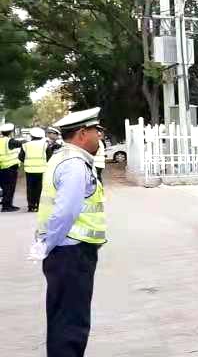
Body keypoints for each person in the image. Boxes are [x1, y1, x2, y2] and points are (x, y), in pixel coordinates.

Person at [27, 107, 107, 357]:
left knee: (62, 317)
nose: (99, 136)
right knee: (71, 323)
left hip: (65, 252)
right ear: (82, 133)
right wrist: (47, 244)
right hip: (72, 252)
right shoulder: (74, 164)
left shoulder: (63, 157)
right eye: (96, 131)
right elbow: (65, 212)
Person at [19, 127, 48, 212]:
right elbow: (49, 156)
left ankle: (31, 206)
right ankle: (39, 205)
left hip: (29, 170)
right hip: (42, 170)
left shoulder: (25, 145)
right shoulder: (45, 145)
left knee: (30, 188)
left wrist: (27, 162)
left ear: (31, 136)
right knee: (40, 188)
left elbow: (20, 157)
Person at [1, 122, 23, 212]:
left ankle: (7, 205)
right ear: (10, 132)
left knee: (5, 188)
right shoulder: (10, 141)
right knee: (10, 188)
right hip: (10, 168)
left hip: (2, 167)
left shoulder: (1, 140)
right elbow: (22, 144)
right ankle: (7, 206)